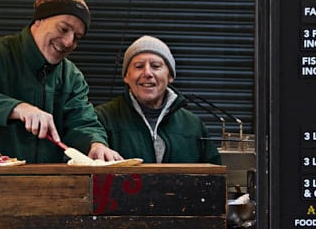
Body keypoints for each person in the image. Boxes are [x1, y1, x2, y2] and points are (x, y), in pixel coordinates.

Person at [0, 0, 121, 164]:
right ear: (38, 21)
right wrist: (18, 108)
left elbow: (82, 121)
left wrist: (95, 143)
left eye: (77, 37)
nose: (68, 42)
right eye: (63, 29)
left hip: (43, 186)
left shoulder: (71, 77)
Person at [94, 35, 221, 164]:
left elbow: (215, 176)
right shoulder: (102, 119)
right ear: (126, 76)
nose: (147, 73)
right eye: (138, 66)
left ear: (170, 75)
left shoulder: (193, 125)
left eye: (156, 66)